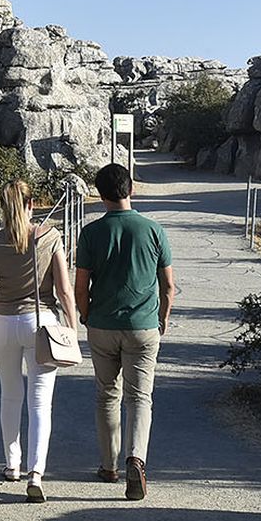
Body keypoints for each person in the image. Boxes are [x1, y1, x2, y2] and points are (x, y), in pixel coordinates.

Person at [0, 179, 78, 503]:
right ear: (31, 205)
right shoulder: (50, 237)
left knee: (10, 395)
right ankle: (36, 473)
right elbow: (64, 290)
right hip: (39, 323)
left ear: (3, 206)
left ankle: (12, 464)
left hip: (1, 323)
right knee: (40, 402)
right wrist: (72, 328)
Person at [74, 163, 177, 501]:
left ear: (100, 194)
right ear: (130, 189)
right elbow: (169, 285)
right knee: (140, 398)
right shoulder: (153, 230)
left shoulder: (90, 233)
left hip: (102, 325)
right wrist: (162, 318)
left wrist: (86, 316)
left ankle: (109, 465)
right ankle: (137, 459)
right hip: (143, 326)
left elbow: (80, 286)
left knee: (107, 395)